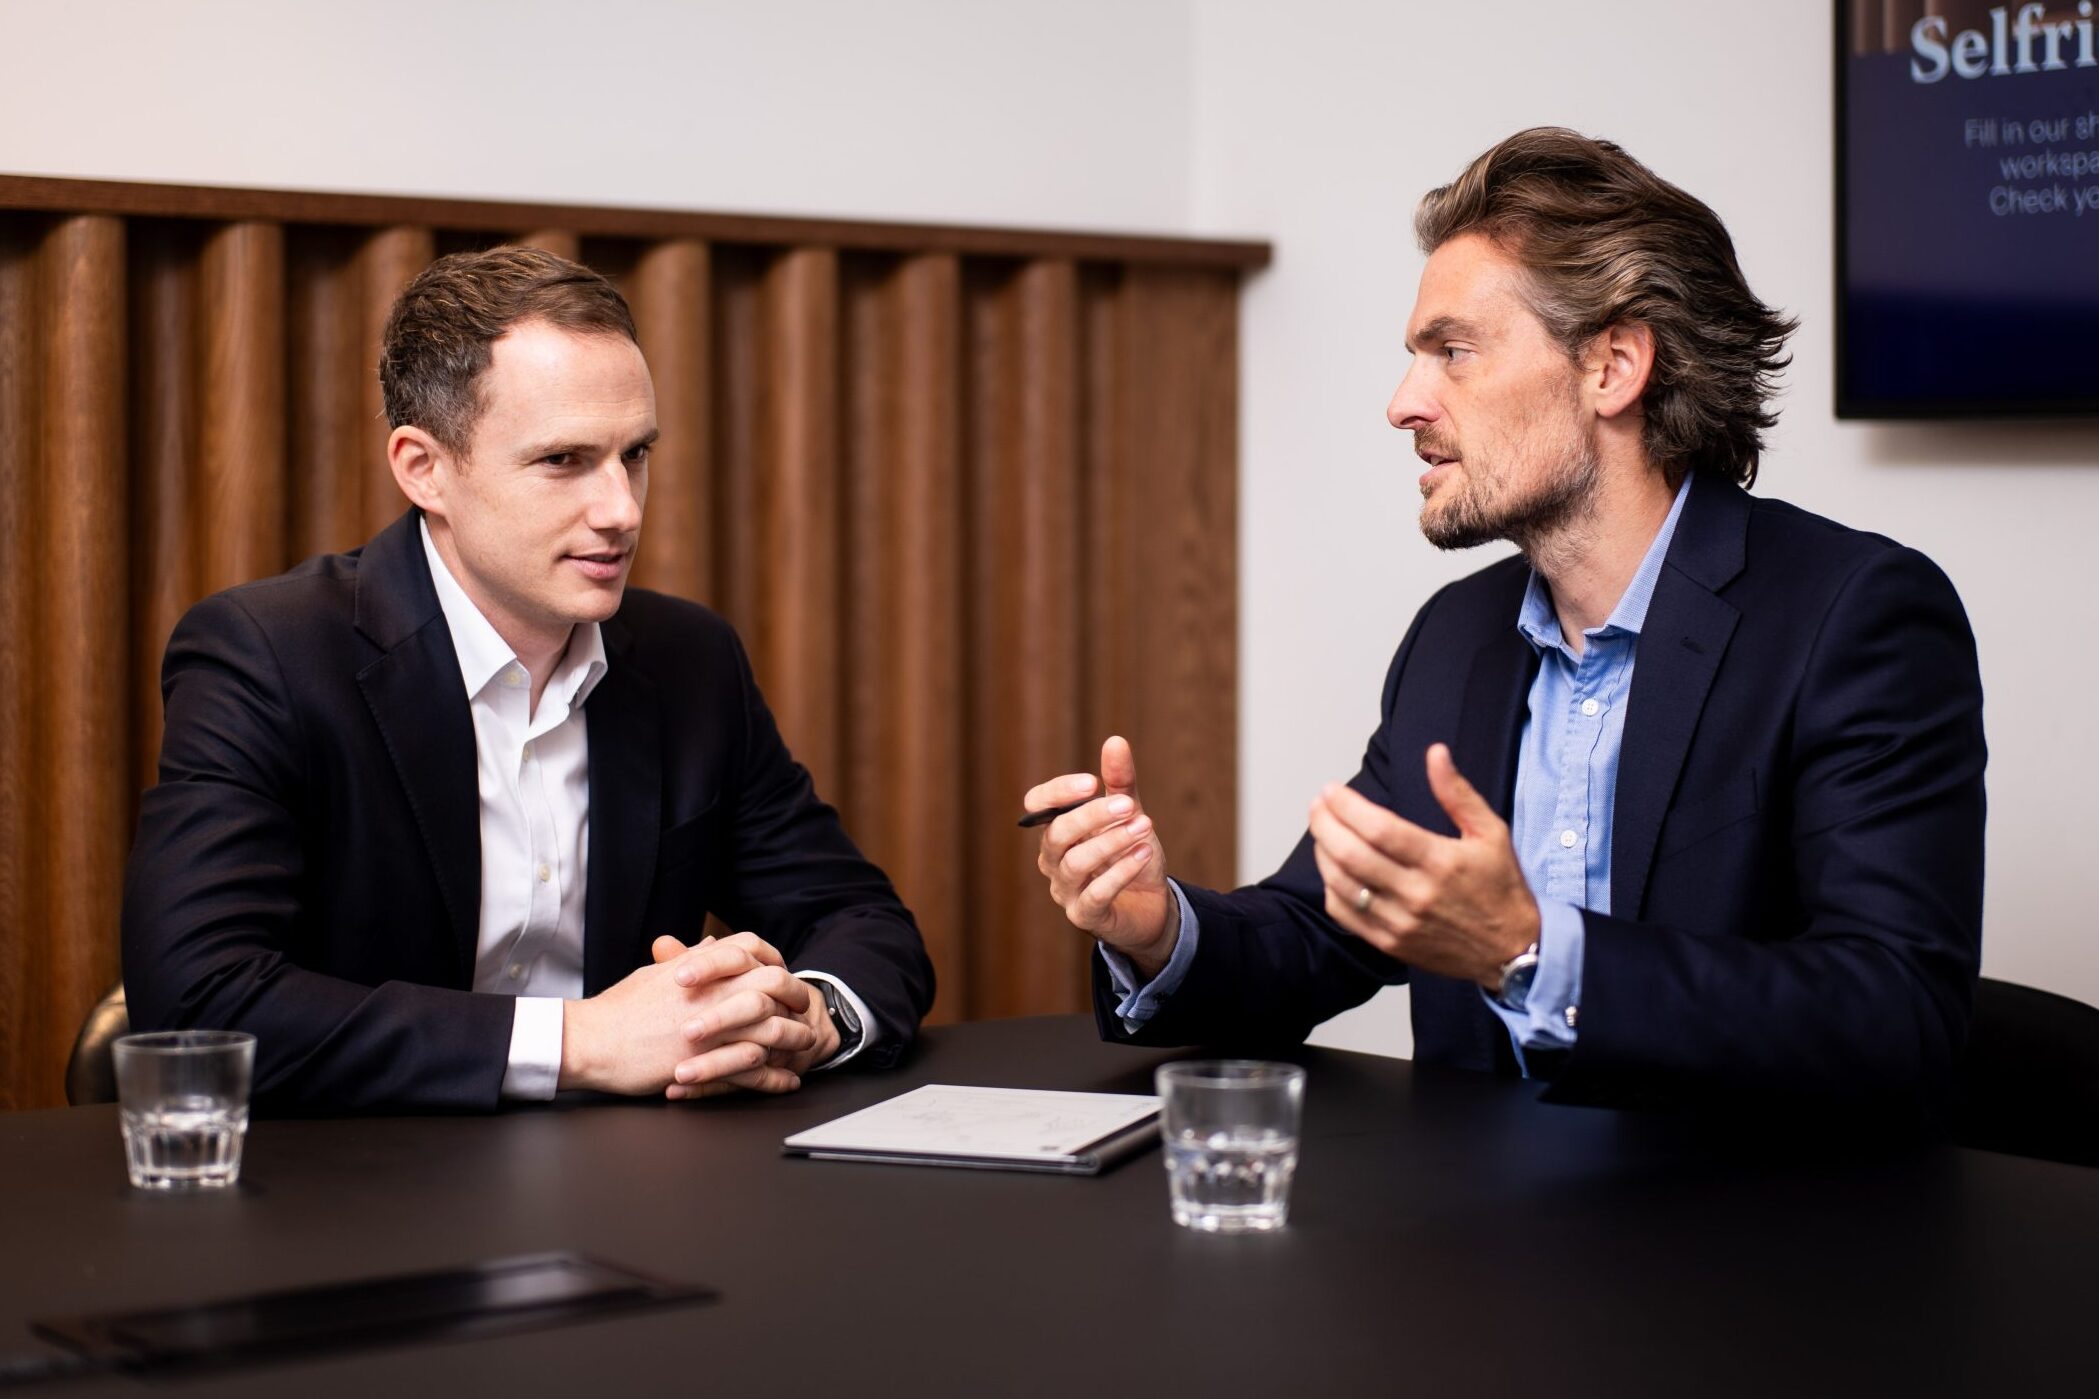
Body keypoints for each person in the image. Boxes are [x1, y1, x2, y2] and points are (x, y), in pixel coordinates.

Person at [1025, 128, 1985, 1111]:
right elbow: (1318, 930)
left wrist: (1524, 950)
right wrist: (1157, 927)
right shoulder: (1456, 636)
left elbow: (1895, 1014)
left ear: (1610, 366)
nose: (1403, 404)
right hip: (1478, 1241)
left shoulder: (1854, 617)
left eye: (1452, 352)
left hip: (1742, 1240)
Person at [123, 247, 933, 1112]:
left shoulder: (689, 658)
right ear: (422, 467)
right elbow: (200, 1000)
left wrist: (808, 1016)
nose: (620, 509)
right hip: (352, 1193)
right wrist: (579, 1039)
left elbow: (863, 922)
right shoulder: (268, 655)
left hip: (635, 1187)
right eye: (563, 461)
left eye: (635, 455)